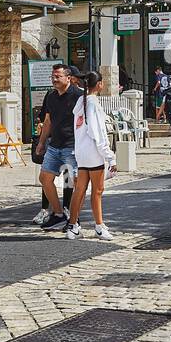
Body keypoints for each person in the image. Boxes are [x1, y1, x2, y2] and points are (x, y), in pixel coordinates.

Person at [65, 70, 117, 240]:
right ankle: (99, 226)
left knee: (80, 190)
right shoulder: (93, 104)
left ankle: (73, 226)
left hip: (81, 152)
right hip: (94, 153)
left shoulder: (81, 101)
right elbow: (98, 133)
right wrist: (109, 155)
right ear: (100, 84)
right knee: (97, 191)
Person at [34, 64, 83, 232]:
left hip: (72, 146)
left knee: (76, 183)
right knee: (45, 178)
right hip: (54, 146)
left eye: (58, 77)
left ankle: (75, 219)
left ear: (68, 78)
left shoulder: (79, 96)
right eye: (53, 76)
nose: (54, 80)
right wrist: (41, 143)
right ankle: (58, 213)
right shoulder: (51, 97)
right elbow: (48, 121)